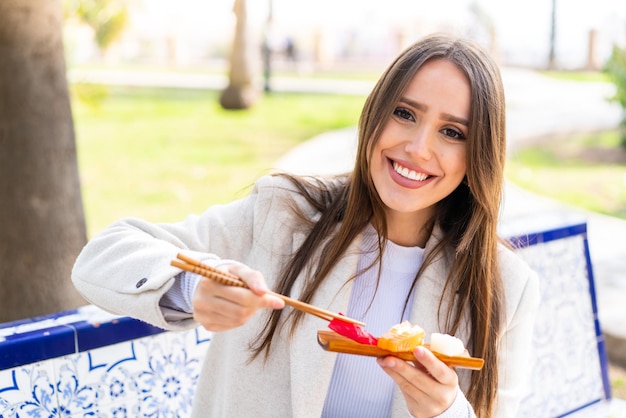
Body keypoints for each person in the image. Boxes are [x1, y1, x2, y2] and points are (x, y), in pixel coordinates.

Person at [72, 33, 539, 418]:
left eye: (452, 132)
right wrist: (193, 287)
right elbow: (104, 254)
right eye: (405, 113)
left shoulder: (505, 286)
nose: (418, 147)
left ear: (479, 153)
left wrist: (447, 411)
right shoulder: (285, 213)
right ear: (375, 114)